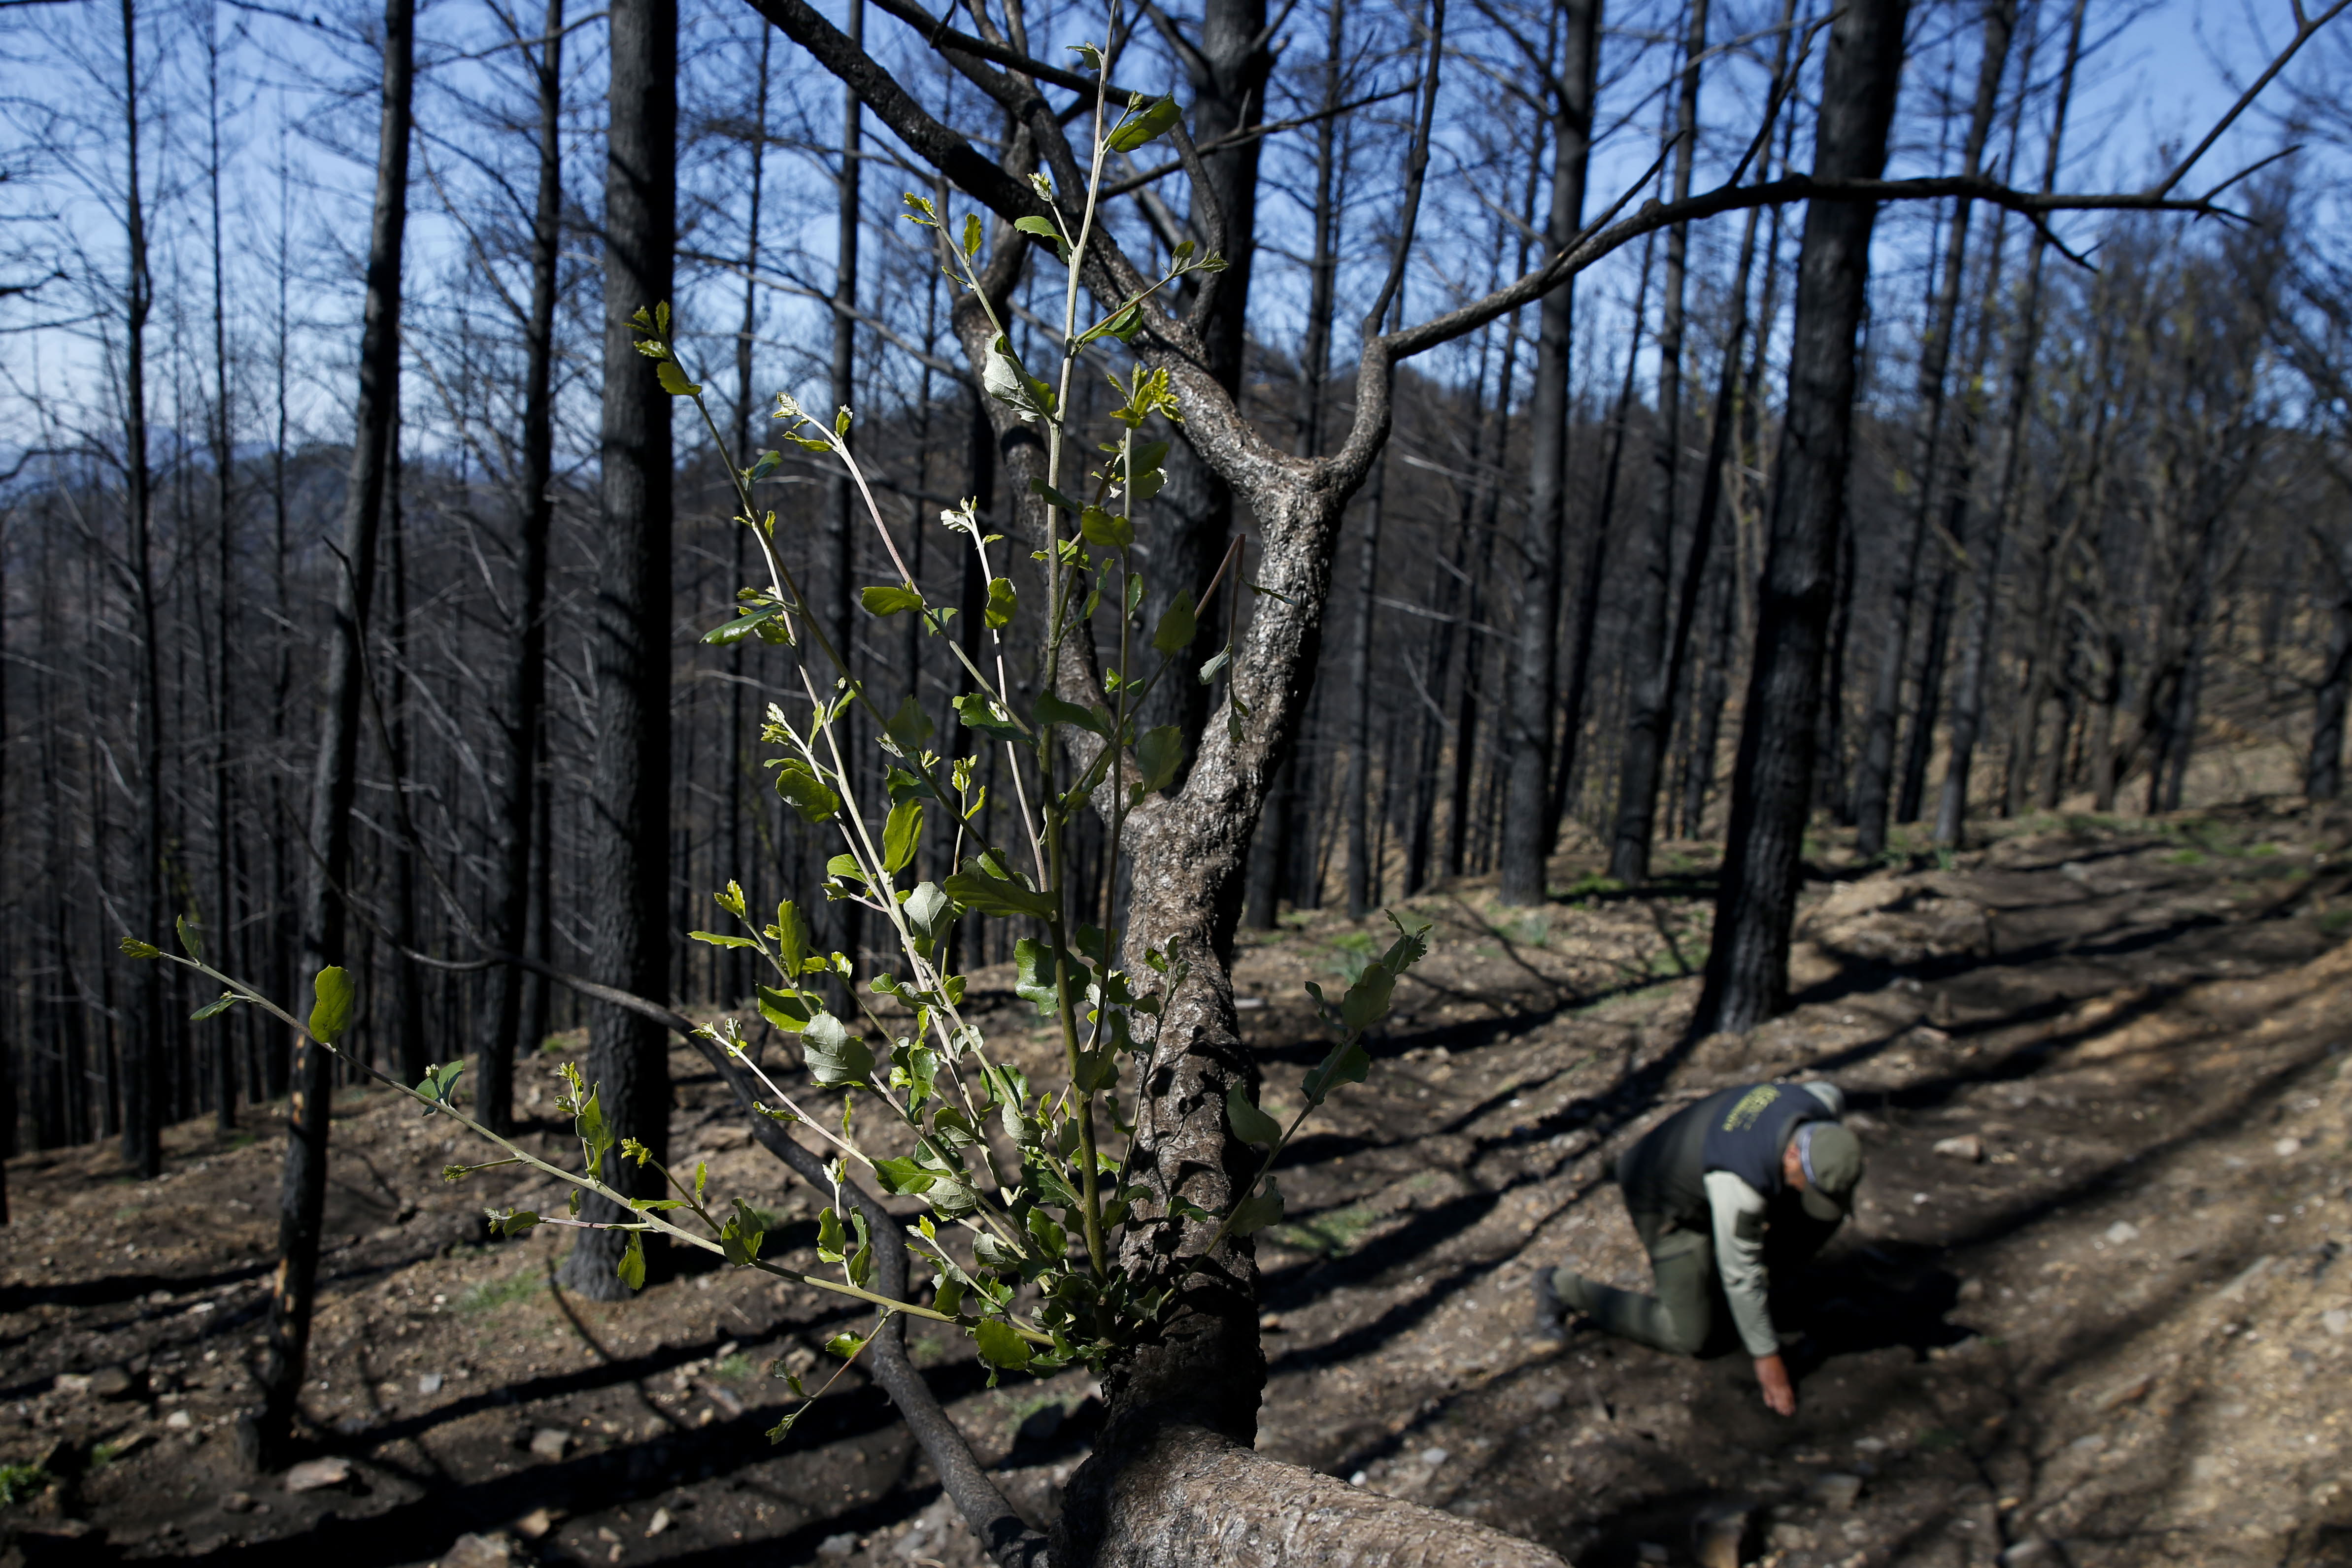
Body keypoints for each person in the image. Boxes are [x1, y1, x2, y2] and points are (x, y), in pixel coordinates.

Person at [1534, 1080, 1863, 1416]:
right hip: (1663, 1197)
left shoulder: (1820, 1102)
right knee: (1694, 1336)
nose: (1802, 1187)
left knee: (1819, 1217)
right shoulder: (1740, 1186)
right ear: (1793, 1155)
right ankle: (1560, 1286)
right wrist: (1767, 1357)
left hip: (1709, 1169)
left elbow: (1825, 1093)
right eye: (1804, 1180)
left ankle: (1738, 1298)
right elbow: (1741, 1274)